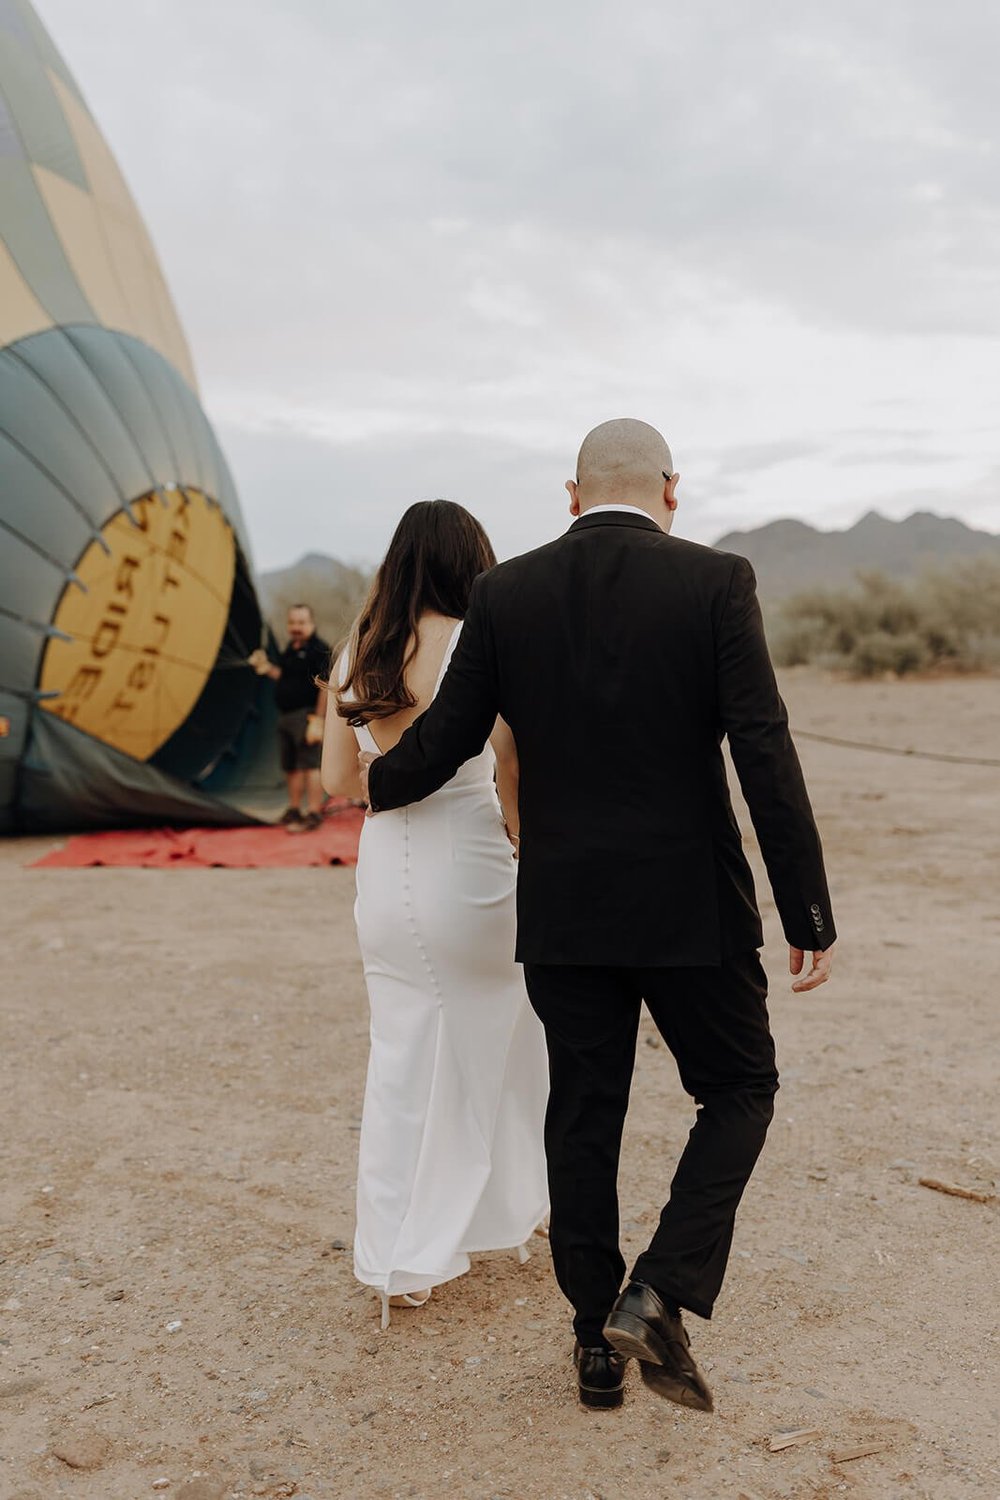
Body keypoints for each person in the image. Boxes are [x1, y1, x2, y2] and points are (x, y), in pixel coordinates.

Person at [359, 419, 836, 1412]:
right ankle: (658, 1287)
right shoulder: (716, 582)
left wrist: (378, 780)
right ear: (672, 489)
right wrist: (806, 906)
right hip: (689, 903)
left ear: (570, 494)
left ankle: (592, 1348)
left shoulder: (507, 592)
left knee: (582, 1118)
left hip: (563, 904)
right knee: (739, 1087)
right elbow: (762, 747)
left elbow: (447, 739)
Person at [320, 500, 549, 1330]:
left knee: (403, 1055)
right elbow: (512, 764)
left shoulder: (357, 649)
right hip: (471, 863)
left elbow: (336, 785)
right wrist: (526, 842)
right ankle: (510, 1205)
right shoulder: (476, 639)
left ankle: (397, 1256)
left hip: (385, 871)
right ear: (470, 561)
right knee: (510, 1036)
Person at [250, 604, 330, 831]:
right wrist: (266, 668)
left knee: (310, 765)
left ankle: (314, 812)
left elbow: (325, 686)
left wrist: (318, 718)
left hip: (306, 716)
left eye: (301, 622)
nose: (296, 627)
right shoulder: (290, 649)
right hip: (286, 717)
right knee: (291, 766)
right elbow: (286, 678)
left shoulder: (319, 651)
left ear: (311, 624)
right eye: (293, 622)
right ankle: (294, 809)